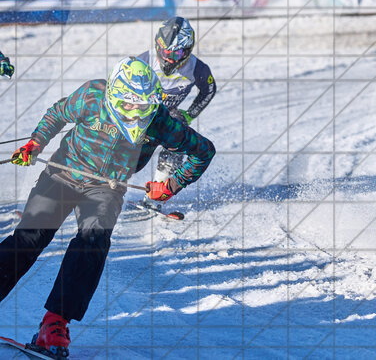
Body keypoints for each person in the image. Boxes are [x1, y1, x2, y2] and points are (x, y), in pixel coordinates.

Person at [0, 57, 216, 357]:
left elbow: (204, 151)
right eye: (129, 106)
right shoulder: (93, 96)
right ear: (114, 94)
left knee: (93, 242)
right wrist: (35, 144)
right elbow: (57, 113)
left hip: (107, 188)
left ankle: (54, 323)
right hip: (62, 173)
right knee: (30, 239)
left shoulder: (158, 120)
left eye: (143, 107)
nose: (136, 112)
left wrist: (171, 185)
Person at [134, 18, 217, 208]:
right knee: (134, 163)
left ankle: (156, 195)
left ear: (187, 51)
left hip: (168, 119)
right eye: (164, 51)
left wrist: (189, 114)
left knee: (178, 125)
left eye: (177, 53)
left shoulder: (197, 68)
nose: (169, 58)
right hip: (143, 118)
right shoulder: (144, 61)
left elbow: (209, 90)